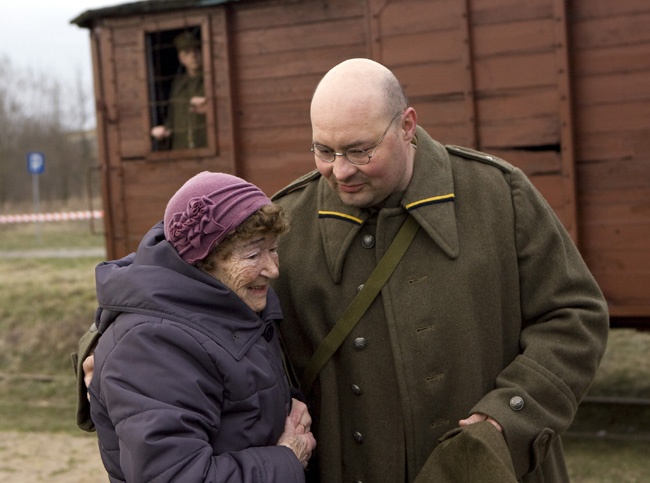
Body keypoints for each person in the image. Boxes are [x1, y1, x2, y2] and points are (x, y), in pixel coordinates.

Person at [76, 58, 609, 482]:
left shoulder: (498, 195)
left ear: (407, 126)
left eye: (359, 150)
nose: (341, 170)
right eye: (323, 150)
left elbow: (574, 316)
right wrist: (100, 349)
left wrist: (505, 420)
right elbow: (176, 293)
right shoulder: (291, 217)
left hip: (490, 470)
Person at [85, 171, 316, 482]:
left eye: (273, 249)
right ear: (203, 260)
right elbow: (176, 475)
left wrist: (288, 404)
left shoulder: (232, 308)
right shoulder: (152, 345)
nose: (273, 269)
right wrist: (287, 459)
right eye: (253, 254)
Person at [150, 31, 207, 150]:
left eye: (196, 50)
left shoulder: (212, 81)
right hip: (182, 149)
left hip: (206, 147)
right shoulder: (178, 85)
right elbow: (172, 117)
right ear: (181, 58)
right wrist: (164, 131)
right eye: (187, 52)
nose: (193, 56)